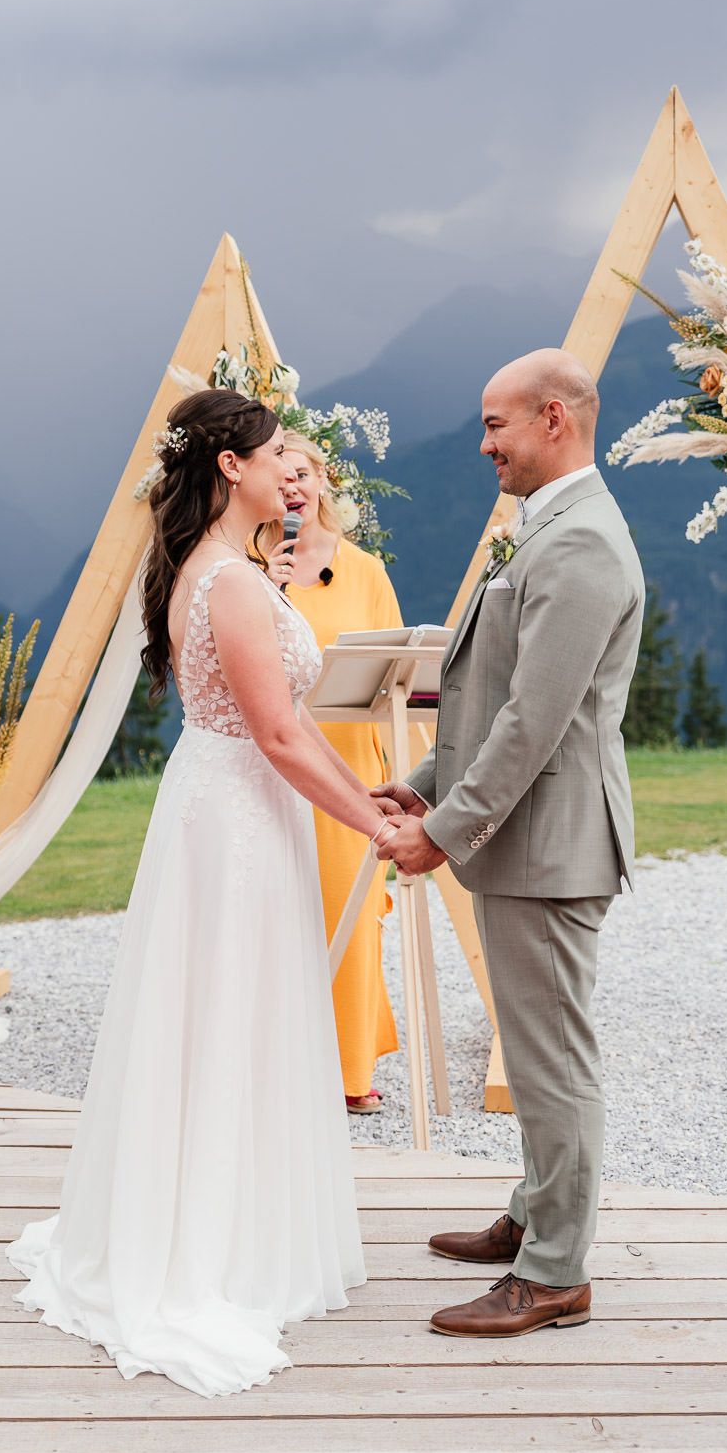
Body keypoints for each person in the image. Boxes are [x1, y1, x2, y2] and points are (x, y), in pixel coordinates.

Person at [6, 390, 403, 1397]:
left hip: (231, 805)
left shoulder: (222, 572)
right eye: (277, 456)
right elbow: (274, 733)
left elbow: (292, 729)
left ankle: (225, 1222)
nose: (293, 474)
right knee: (227, 1013)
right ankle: (211, 1252)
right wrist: (379, 829)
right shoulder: (228, 582)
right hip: (233, 812)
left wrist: (364, 800)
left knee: (236, 1013)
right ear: (231, 467)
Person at [374, 349, 644, 1339]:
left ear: (554, 419)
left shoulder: (579, 547)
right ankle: (535, 1215)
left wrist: (439, 833)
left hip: (552, 842)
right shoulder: (550, 530)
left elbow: (533, 724)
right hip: (532, 836)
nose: (482, 444)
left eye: (496, 425)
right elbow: (491, 706)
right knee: (536, 1054)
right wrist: (422, 784)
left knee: (552, 1058)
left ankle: (556, 1271)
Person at [262, 430, 401, 1114]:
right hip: (278, 766)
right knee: (279, 914)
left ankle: (350, 1073)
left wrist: (407, 774)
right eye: (280, 476)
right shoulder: (252, 567)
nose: (293, 487)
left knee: (351, 915)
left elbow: (402, 671)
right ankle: (279, 1064)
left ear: (324, 482)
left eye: (303, 474)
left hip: (351, 765)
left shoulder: (368, 571)